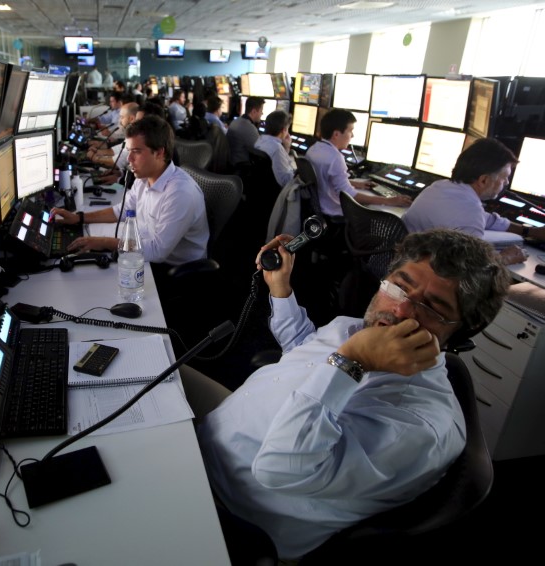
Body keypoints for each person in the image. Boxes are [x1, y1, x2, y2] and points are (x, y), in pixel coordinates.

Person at [183, 228, 510, 562]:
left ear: (460, 331)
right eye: (399, 286)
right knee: (143, 363)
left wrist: (352, 361)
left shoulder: (421, 426)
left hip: (224, 503)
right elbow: (306, 351)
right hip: (211, 435)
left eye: (432, 308)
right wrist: (280, 290)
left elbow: (280, 469)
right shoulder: (354, 329)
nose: (400, 311)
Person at [52, 115, 209, 266]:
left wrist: (103, 243)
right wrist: (79, 218)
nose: (129, 159)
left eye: (136, 152)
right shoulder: (143, 178)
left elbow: (157, 251)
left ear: (159, 153)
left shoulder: (180, 193)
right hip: (145, 251)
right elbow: (121, 210)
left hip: (171, 270)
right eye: (129, 151)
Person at [402, 137, 545, 265]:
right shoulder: (470, 212)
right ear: (483, 180)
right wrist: (505, 258)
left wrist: (529, 231)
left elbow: (487, 219)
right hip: (428, 278)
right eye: (504, 177)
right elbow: (469, 267)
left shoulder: (439, 187)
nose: (507, 182)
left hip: (407, 265)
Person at [305, 108, 411, 216]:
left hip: (320, 208)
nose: (352, 135)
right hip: (335, 212)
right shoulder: (335, 158)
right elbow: (350, 195)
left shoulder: (313, 149)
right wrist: (389, 201)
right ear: (336, 134)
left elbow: (326, 180)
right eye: (350, 131)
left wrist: (357, 184)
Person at [87, 102, 139, 170]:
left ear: (131, 119)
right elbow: (120, 148)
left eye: (122, 117)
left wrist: (96, 158)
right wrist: (99, 152)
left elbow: (121, 160)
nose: (119, 121)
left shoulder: (138, 136)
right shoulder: (132, 133)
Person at [254, 110, 296, 187]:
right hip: (275, 192)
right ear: (284, 130)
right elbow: (285, 180)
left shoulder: (260, 140)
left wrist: (286, 148)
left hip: (260, 185)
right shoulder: (277, 149)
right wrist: (297, 173)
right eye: (287, 129)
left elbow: (277, 163)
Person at [227, 96, 265, 166]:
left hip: (232, 162)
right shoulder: (248, 127)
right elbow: (261, 151)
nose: (262, 114)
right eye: (261, 111)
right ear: (254, 111)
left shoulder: (236, 121)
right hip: (241, 167)